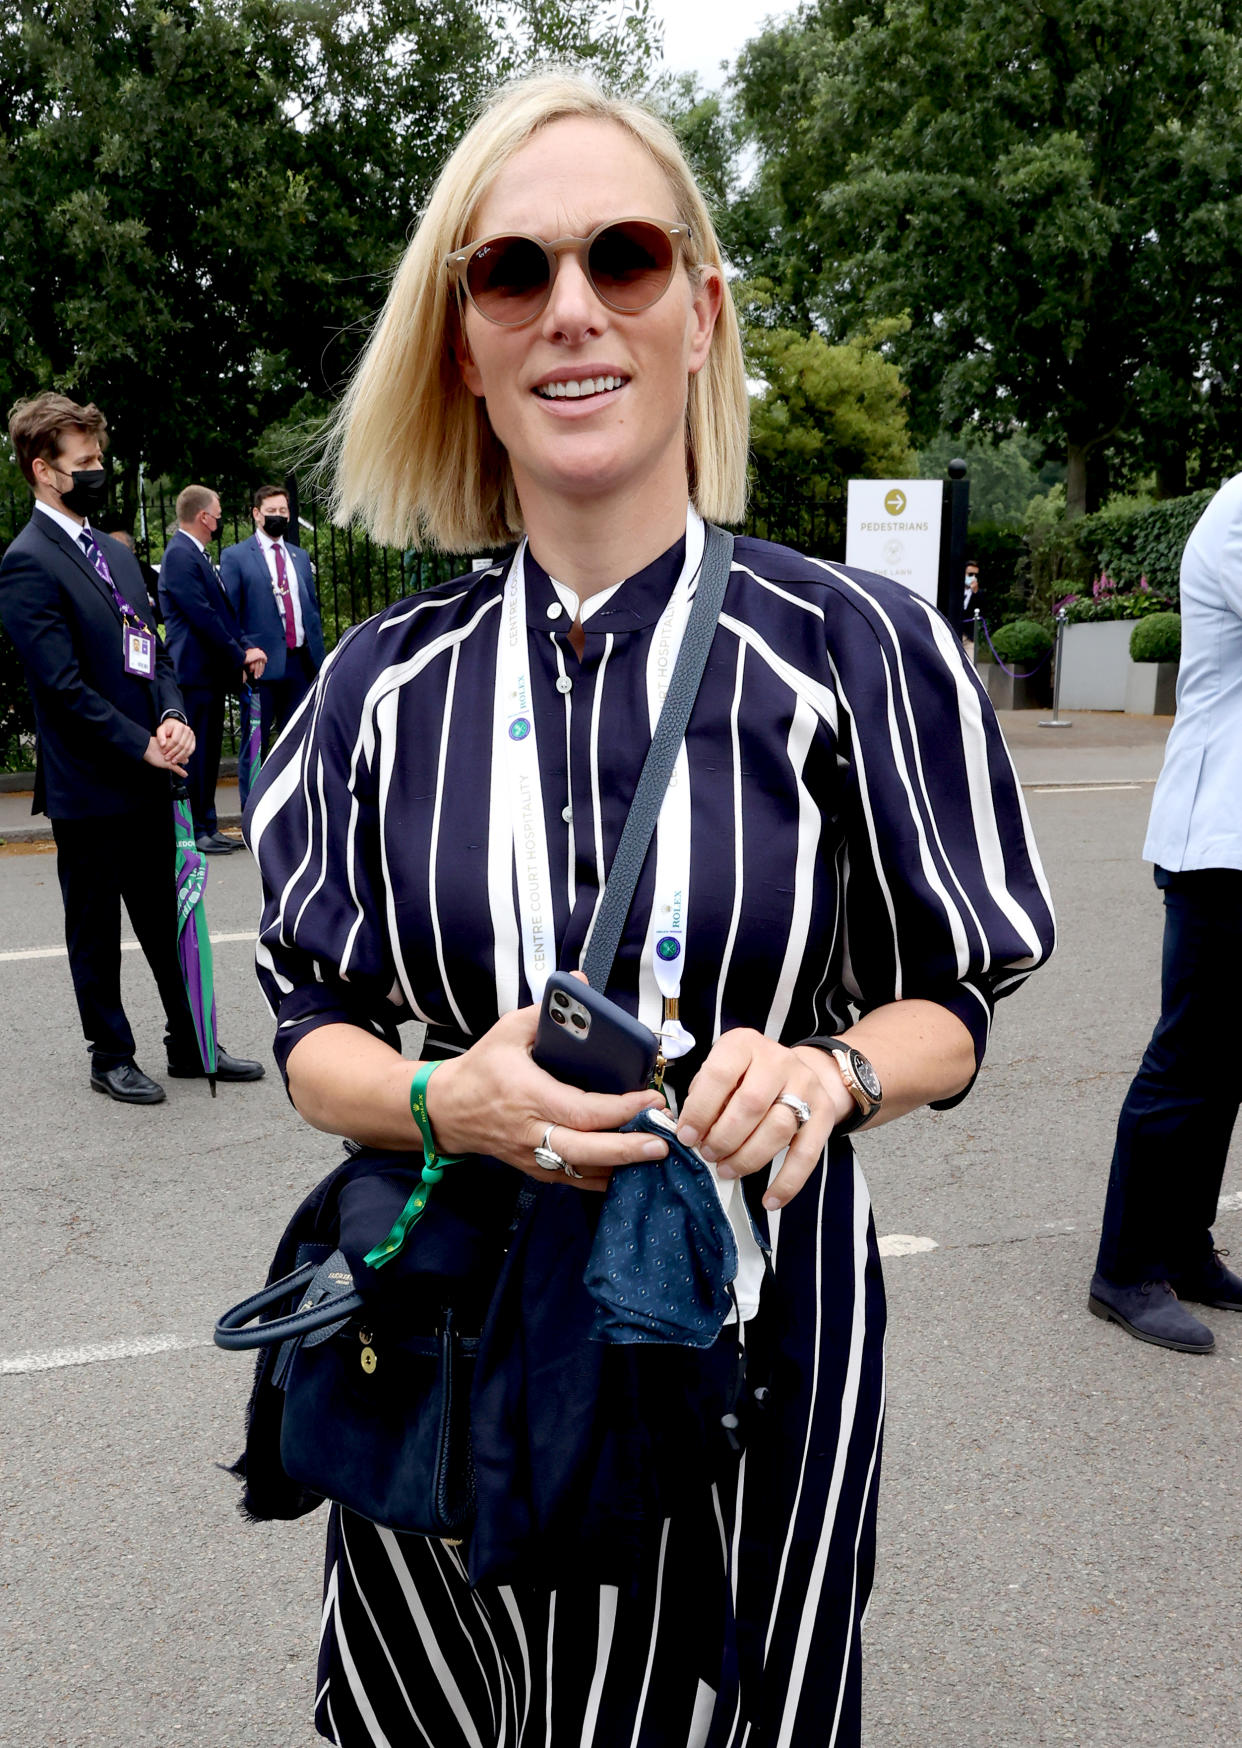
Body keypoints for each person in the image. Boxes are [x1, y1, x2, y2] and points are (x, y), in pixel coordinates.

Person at [245, 73, 1055, 1747]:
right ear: (462, 344)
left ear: (698, 312)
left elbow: (954, 1004)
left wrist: (830, 1072)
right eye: (511, 273)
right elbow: (308, 1025)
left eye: (621, 257)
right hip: (459, 1327)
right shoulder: (378, 687)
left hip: (746, 1345)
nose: (570, 311)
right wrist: (439, 1095)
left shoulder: (852, 650)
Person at [0, 393, 265, 1103]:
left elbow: (153, 651)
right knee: (94, 927)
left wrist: (174, 714)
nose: (98, 472)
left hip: (152, 770)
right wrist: (140, 744)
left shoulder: (113, 553)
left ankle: (191, 1044)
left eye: (99, 458)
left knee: (165, 914)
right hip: (90, 786)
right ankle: (109, 1053)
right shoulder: (27, 562)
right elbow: (59, 687)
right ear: (43, 471)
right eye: (83, 462)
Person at [1089, 472, 1242, 1354]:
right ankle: (1127, 1267)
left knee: (1224, 1065)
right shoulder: (1237, 512)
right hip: (1217, 837)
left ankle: (1184, 1247)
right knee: (1188, 1057)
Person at [159, 483, 266, 853]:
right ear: (203, 517)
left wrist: (245, 647)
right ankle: (197, 830)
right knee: (197, 754)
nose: (220, 518)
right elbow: (201, 616)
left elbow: (222, 613)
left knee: (207, 752)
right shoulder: (179, 556)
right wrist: (238, 656)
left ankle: (208, 824)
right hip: (194, 672)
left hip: (209, 673)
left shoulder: (197, 555)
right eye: (217, 513)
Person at [220, 483, 324, 753]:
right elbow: (230, 613)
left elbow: (311, 610)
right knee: (255, 746)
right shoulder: (236, 557)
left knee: (300, 743)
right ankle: (253, 797)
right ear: (256, 514)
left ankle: (294, 796)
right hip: (261, 667)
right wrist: (242, 655)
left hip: (300, 665)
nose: (277, 515)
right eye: (271, 510)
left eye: (282, 509)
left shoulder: (299, 556)